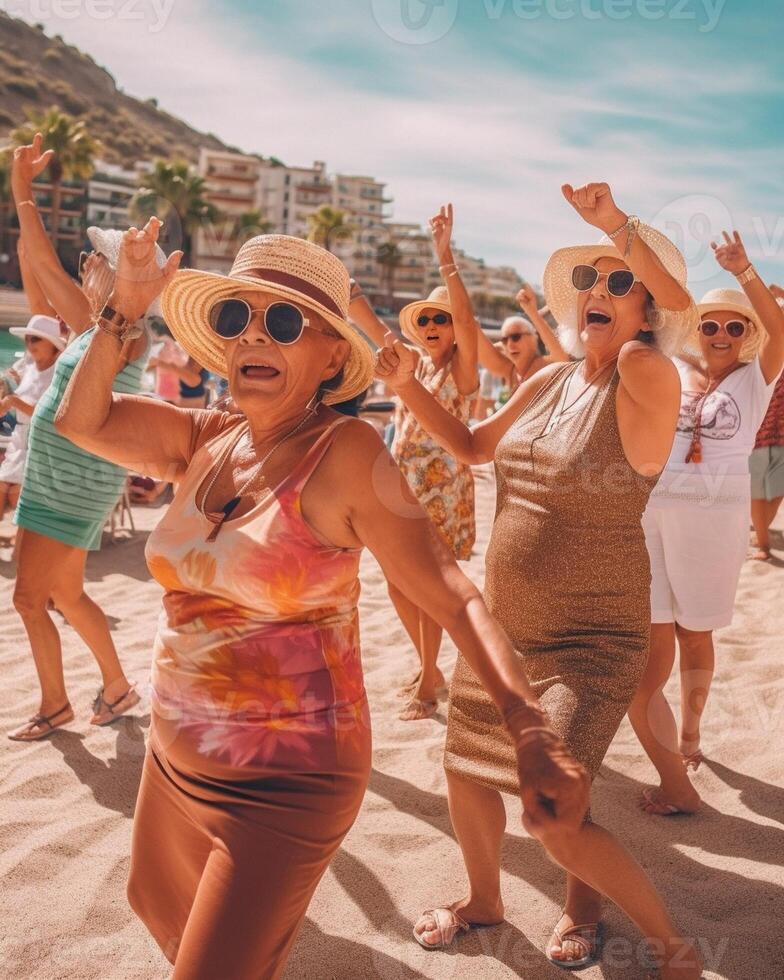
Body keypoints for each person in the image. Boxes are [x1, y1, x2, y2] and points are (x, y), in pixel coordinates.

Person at [54, 220, 590, 980]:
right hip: (172, 761)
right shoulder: (205, 437)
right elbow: (79, 420)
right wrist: (120, 314)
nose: (252, 339)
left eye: (281, 322)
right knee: (156, 907)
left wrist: (528, 727)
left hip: (285, 780)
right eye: (236, 319)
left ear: (334, 355)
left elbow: (452, 592)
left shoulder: (346, 454)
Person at [377, 182, 702, 978]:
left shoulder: (646, 379)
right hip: (506, 629)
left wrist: (617, 230)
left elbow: (682, 313)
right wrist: (403, 382)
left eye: (620, 284)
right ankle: (485, 900)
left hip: (593, 636)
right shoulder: (551, 380)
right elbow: (471, 445)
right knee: (465, 768)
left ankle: (669, 945)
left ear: (647, 313)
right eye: (591, 280)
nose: (600, 290)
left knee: (554, 808)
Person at [6, 136, 156, 741]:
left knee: (26, 599)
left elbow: (48, 267)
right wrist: (22, 188)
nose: (89, 267)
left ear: (122, 278)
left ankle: (54, 705)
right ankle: (117, 688)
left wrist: (106, 295)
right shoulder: (95, 326)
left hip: (69, 482)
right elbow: (40, 260)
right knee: (65, 593)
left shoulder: (125, 332)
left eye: (102, 264)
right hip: (62, 476)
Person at [629, 232, 784, 816]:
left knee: (697, 631)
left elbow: (781, 326)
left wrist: (744, 272)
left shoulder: (757, 378)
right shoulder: (674, 369)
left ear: (749, 336)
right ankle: (667, 747)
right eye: (712, 325)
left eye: (734, 327)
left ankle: (692, 730)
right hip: (654, 512)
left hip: (717, 520)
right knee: (655, 629)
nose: (721, 334)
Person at [351, 204, 480, 721]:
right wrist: (355, 302)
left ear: (451, 330)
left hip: (442, 492)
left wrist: (444, 256)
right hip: (399, 490)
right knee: (398, 581)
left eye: (439, 319)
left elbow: (470, 322)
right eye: (424, 318)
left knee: (428, 587)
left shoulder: (463, 373)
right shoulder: (415, 364)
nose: (430, 324)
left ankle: (429, 680)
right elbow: (378, 331)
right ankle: (429, 667)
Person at [0, 315, 65, 521]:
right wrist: (14, 386)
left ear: (53, 343)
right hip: (19, 441)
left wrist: (13, 401)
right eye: (27, 339)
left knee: (14, 497)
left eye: (35, 339)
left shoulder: (61, 371)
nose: (29, 344)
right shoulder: (28, 364)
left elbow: (50, 414)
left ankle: (24, 544)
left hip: (43, 444)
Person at [478, 284, 570, 394]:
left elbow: (561, 358)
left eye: (516, 337)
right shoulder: (511, 372)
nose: (510, 344)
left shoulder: (543, 367)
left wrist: (532, 313)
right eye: (505, 340)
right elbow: (478, 343)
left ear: (534, 338)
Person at [749, 285, 784, 560]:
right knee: (758, 490)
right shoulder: (758, 351)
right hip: (758, 431)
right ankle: (762, 543)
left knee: (777, 490)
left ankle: (761, 533)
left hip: (782, 433)